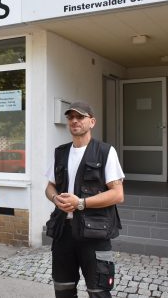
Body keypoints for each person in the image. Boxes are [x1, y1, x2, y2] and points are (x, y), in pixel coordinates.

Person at [45, 101, 124, 298]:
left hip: (95, 235)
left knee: (98, 292)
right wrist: (55, 199)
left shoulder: (105, 151)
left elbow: (117, 194)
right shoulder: (60, 152)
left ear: (92, 122)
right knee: (63, 291)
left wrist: (80, 203)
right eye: (70, 117)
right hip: (63, 233)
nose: (74, 121)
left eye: (80, 117)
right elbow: (49, 186)